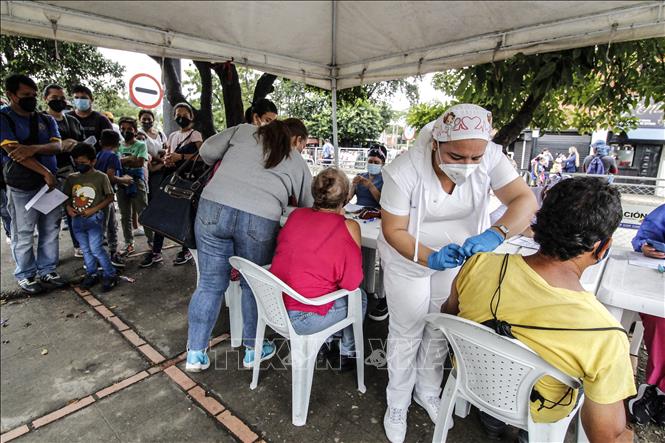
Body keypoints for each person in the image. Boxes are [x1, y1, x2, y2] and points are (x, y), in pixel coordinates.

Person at [378, 104, 537, 442]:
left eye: (474, 158)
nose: (467, 165)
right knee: (407, 329)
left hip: (456, 256)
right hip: (409, 258)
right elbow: (393, 229)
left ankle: (428, 390)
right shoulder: (404, 170)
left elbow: (524, 200)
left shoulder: (491, 157)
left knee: (440, 324)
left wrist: (497, 233)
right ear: (436, 142)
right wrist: (430, 258)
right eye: (457, 156)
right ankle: (397, 400)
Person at [442, 177, 636, 441]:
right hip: (542, 409)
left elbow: (449, 314)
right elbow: (606, 436)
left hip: (475, 380)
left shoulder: (477, 266)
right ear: (602, 247)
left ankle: (493, 419)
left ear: (539, 224)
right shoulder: (605, 334)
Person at [184, 119, 314, 372]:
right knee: (253, 285)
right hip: (260, 219)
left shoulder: (244, 131)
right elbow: (309, 204)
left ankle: (196, 354)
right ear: (297, 140)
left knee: (210, 284)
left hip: (213, 208)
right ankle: (254, 350)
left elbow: (206, 151)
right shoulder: (295, 159)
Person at [270, 168, 367, 371]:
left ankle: (328, 340)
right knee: (361, 297)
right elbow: (351, 284)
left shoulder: (297, 215)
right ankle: (346, 352)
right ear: (347, 196)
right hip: (303, 317)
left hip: (273, 306)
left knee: (327, 287)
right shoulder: (348, 227)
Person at [1, 74, 66, 294]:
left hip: (48, 186)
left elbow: (57, 146)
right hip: (22, 186)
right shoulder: (4, 118)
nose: (31, 99)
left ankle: (47, 269)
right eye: (25, 95)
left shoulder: (45, 119)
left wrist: (33, 149)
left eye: (33, 95)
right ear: (11, 95)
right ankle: (26, 274)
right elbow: (13, 152)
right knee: (24, 230)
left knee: (50, 228)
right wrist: (45, 171)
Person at [140, 103, 202, 268]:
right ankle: (156, 251)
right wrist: (167, 159)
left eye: (184, 114)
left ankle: (185, 250)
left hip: (187, 181)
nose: (180, 117)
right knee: (162, 211)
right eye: (177, 114)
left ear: (191, 116)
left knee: (184, 215)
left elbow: (201, 157)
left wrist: (180, 157)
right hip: (170, 177)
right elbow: (168, 153)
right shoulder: (172, 135)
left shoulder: (195, 135)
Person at [628, 203, 665, 426]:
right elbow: (642, 238)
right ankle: (656, 390)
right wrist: (645, 247)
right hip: (657, 283)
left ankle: (658, 393)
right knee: (660, 318)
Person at [63, 143, 118, 292]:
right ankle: (92, 273)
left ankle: (110, 274)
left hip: (95, 219)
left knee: (96, 248)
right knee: (85, 249)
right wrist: (68, 208)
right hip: (77, 220)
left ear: (93, 161)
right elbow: (66, 197)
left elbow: (110, 197)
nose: (79, 165)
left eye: (83, 163)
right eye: (77, 163)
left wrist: (93, 209)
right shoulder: (71, 178)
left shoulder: (101, 177)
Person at [43, 84, 85, 256]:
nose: (59, 102)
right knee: (51, 219)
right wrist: (59, 146)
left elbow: (84, 145)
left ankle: (79, 246)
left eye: (61, 98)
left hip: (72, 174)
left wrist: (76, 147)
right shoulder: (41, 120)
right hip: (49, 175)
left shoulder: (73, 121)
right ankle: (48, 259)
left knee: (75, 212)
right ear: (45, 99)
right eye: (54, 98)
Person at [96, 129, 133, 267]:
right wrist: (125, 180)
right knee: (107, 226)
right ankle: (105, 257)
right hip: (106, 195)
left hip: (100, 194)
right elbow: (110, 177)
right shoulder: (112, 156)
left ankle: (111, 252)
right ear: (117, 143)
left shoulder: (99, 154)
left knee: (109, 224)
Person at [116, 116, 149, 256]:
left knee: (144, 212)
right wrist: (130, 159)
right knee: (125, 215)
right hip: (121, 182)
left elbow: (140, 163)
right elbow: (115, 164)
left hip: (137, 182)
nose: (126, 131)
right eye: (123, 129)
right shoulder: (118, 145)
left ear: (135, 131)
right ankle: (129, 243)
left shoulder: (141, 145)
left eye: (129, 129)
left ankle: (152, 242)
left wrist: (122, 161)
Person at [349, 145, 386, 209]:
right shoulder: (360, 177)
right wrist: (353, 185)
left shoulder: (385, 180)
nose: (373, 164)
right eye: (370, 161)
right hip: (358, 211)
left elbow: (383, 203)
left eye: (376, 162)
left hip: (375, 214)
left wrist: (370, 186)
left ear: (382, 164)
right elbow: (348, 198)